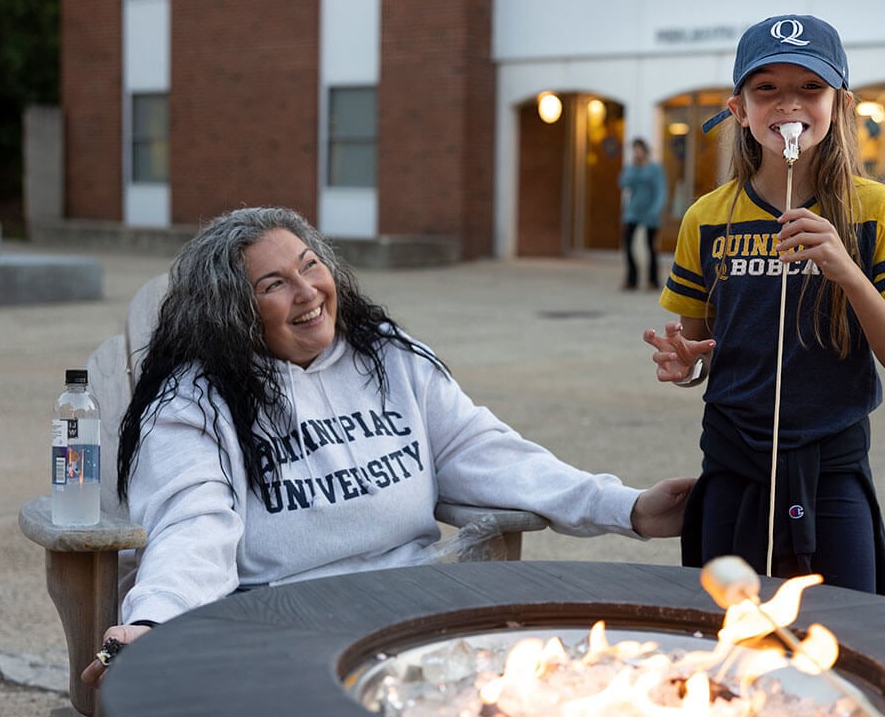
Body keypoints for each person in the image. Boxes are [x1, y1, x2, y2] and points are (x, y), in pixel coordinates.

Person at [81, 206, 693, 687]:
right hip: (289, 624)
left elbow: (484, 452)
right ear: (231, 311)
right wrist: (152, 623)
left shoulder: (387, 358)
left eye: (310, 264)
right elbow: (192, 524)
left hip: (418, 607)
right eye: (275, 283)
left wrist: (629, 508)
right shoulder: (196, 405)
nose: (308, 291)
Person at [642, 15, 885, 595]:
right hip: (733, 463)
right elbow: (698, 351)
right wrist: (684, 365)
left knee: (850, 638)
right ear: (738, 109)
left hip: (830, 467)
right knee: (725, 641)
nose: (789, 105)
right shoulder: (706, 217)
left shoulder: (876, 210)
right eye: (767, 89)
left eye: (810, 88)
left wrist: (846, 269)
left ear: (841, 105)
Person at [618, 138, 668, 290]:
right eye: (634, 149)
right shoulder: (632, 167)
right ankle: (631, 280)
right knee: (628, 245)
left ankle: (653, 280)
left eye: (639, 149)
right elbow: (623, 183)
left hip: (650, 213)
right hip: (633, 211)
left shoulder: (655, 169)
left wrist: (656, 209)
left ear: (645, 150)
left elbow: (661, 190)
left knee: (650, 247)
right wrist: (633, 168)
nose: (636, 152)